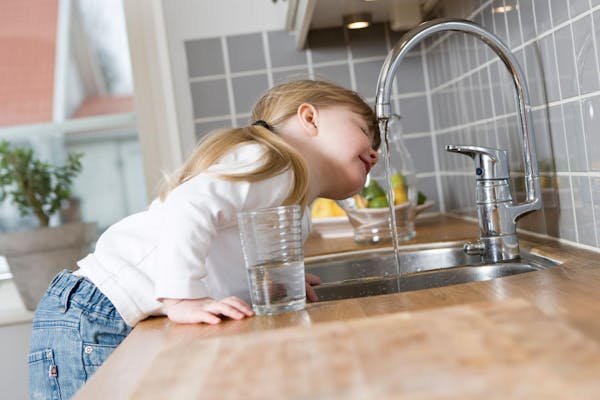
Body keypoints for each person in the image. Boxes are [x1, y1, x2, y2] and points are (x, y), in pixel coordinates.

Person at [28, 79, 381, 399]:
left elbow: (225, 248)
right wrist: (182, 297)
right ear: (310, 118)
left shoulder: (293, 205)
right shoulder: (274, 163)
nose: (376, 152)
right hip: (95, 310)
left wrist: (274, 280)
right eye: (365, 130)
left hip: (103, 312)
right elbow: (189, 205)